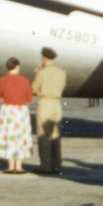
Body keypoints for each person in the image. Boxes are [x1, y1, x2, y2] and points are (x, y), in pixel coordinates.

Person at [0, 58, 34, 174]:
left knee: (8, 135)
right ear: (17, 66)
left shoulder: (2, 80)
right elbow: (29, 98)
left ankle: (10, 166)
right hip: (21, 110)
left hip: (7, 110)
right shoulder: (24, 80)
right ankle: (19, 166)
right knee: (21, 136)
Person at [31, 47, 67, 175]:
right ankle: (57, 165)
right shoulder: (61, 72)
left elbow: (34, 89)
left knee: (43, 135)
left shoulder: (42, 72)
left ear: (44, 58)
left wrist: (36, 74)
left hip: (45, 102)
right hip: (56, 103)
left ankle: (46, 167)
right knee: (55, 134)